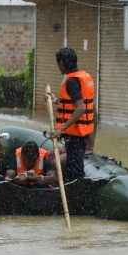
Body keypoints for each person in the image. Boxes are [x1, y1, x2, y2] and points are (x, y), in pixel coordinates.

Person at [46, 47, 96, 182]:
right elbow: (74, 103)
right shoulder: (82, 77)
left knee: (75, 169)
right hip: (81, 133)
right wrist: (56, 100)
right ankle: (75, 189)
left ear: (63, 63)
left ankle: (78, 192)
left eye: (58, 63)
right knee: (74, 165)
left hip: (75, 135)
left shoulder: (72, 82)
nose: (58, 66)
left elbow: (80, 108)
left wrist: (61, 129)